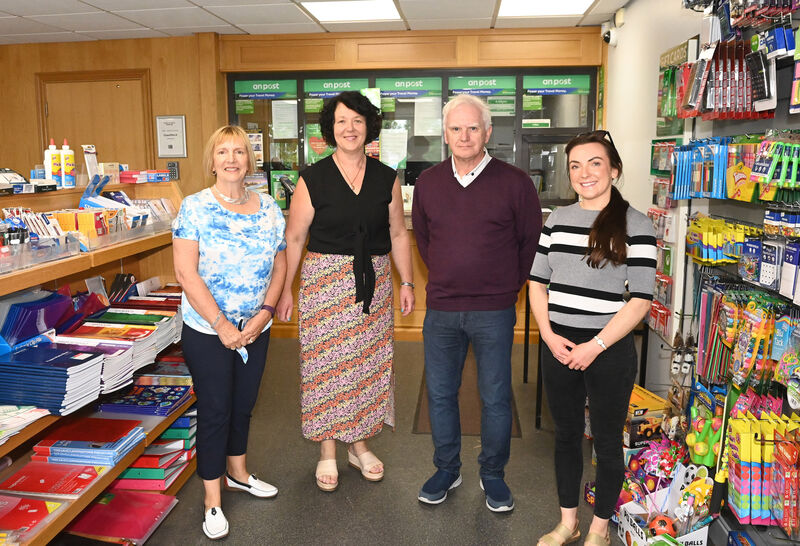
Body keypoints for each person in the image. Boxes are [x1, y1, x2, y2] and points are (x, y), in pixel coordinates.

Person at [276, 91, 414, 492]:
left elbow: (399, 233)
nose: (349, 128)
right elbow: (296, 237)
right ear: (330, 129)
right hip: (324, 284)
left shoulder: (386, 176)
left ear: (369, 127)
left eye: (357, 120)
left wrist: (407, 281)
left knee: (367, 366)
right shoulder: (312, 177)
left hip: (374, 282)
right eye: (341, 121)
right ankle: (327, 452)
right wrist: (287, 289)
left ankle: (360, 445)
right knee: (325, 368)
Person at [412, 94, 541, 512]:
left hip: (494, 310)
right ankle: (447, 469)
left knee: (496, 397)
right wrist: (451, 275)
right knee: (440, 394)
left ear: (488, 133)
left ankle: (493, 474)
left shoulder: (515, 182)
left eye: (472, 128)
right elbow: (424, 240)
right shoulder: (429, 182)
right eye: (455, 128)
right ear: (445, 134)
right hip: (443, 309)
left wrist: (508, 286)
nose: (464, 136)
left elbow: (530, 243)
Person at [529, 131, 656, 545]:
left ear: (614, 169)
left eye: (595, 163)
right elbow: (536, 284)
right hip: (559, 346)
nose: (584, 173)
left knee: (605, 442)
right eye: (575, 166)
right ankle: (569, 522)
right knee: (565, 436)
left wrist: (595, 346)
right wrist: (548, 336)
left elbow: (640, 301)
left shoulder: (636, 224)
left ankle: (599, 527)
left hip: (609, 348)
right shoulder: (557, 220)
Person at [173, 125, 287, 540]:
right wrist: (221, 325)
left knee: (244, 404)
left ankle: (238, 473)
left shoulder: (270, 207)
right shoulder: (195, 207)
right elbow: (186, 272)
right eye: (223, 152)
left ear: (249, 160)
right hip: (207, 329)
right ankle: (211, 499)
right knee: (217, 409)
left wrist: (265, 313)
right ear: (213, 160)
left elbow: (280, 265)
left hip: (256, 327)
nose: (232, 159)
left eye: (239, 152)